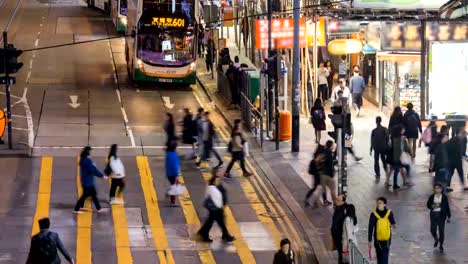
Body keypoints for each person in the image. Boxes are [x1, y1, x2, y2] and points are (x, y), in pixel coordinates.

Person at [198, 175, 235, 242]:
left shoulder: (214, 187)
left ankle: (203, 233)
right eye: (217, 180)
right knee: (215, 222)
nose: (219, 181)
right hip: (215, 208)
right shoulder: (212, 188)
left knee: (214, 221)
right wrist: (220, 207)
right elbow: (215, 198)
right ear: (214, 181)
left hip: (216, 208)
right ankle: (225, 236)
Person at [74, 146, 107, 213]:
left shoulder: (83, 159)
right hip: (88, 182)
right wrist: (102, 176)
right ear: (88, 153)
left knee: (91, 194)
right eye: (90, 152)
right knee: (87, 195)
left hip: (85, 181)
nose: (91, 153)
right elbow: (92, 170)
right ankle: (76, 209)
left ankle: (81, 207)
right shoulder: (88, 161)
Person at [368, 197, 396, 264]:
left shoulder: (389, 213)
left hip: (387, 240)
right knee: (380, 257)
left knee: (384, 257)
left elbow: (393, 223)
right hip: (378, 240)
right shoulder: (373, 214)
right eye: (377, 203)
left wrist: (393, 225)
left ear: (384, 204)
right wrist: (369, 240)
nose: (378, 205)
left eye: (380, 203)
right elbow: (370, 227)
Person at [308, 140, 337, 206]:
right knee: (332, 189)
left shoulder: (323, 152)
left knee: (322, 189)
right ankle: (335, 203)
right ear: (331, 146)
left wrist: (319, 169)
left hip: (322, 175)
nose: (333, 146)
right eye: (333, 145)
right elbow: (330, 164)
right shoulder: (329, 153)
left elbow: (317, 160)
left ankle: (315, 201)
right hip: (328, 175)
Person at [331, 194, 357, 264]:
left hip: (342, 234)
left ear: (343, 201)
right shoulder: (337, 208)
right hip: (336, 232)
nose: (336, 201)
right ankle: (340, 260)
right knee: (339, 249)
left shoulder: (346, 209)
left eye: (338, 200)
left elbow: (352, 221)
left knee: (342, 249)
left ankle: (342, 261)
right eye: (336, 199)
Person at [426, 183, 451, 253]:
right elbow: (428, 205)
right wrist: (437, 205)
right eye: (436, 188)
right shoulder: (432, 197)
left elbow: (447, 207)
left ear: (441, 189)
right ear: (434, 189)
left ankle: (441, 245)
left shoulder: (444, 197)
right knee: (432, 230)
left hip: (442, 215)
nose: (438, 189)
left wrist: (449, 216)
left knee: (441, 231)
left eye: (439, 188)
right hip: (433, 215)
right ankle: (436, 239)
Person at [390, 126, 411, 191]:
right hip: (401, 158)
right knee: (407, 167)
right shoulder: (402, 139)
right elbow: (406, 148)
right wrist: (409, 152)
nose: (404, 130)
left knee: (396, 171)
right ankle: (406, 181)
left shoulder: (393, 138)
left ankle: (395, 184)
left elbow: (391, 147)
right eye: (403, 129)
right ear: (400, 131)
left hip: (395, 158)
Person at [166, 141, 180, 206]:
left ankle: (169, 192)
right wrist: (176, 176)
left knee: (173, 185)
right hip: (173, 174)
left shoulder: (168, 154)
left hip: (168, 173)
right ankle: (172, 202)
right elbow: (175, 166)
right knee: (174, 187)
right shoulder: (174, 156)